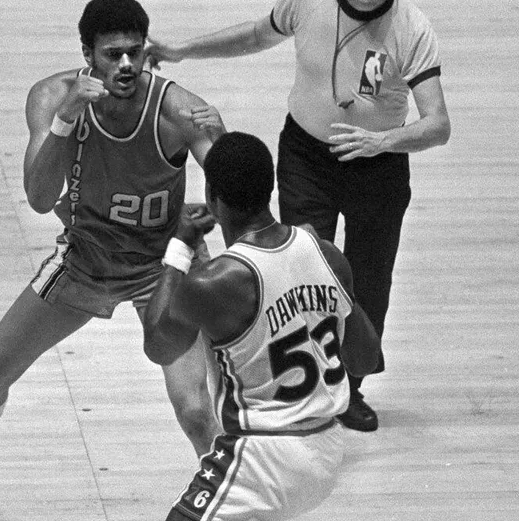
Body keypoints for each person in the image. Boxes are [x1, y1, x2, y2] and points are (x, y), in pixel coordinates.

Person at [0, 0, 225, 521]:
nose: (125, 65)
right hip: (85, 260)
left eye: (135, 53)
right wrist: (66, 119)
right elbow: (37, 194)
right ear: (87, 56)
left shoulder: (179, 110)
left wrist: (225, 149)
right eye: (112, 54)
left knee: (194, 411)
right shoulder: (53, 97)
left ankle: (229, 512)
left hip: (163, 265)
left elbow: (238, 189)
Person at [146, 0, 451, 432]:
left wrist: (381, 141)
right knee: (296, 267)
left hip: (379, 164)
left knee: (369, 279)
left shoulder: (412, 29)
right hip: (307, 157)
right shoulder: (309, 2)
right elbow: (255, 35)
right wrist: (182, 50)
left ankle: (348, 391)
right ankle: (292, 379)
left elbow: (438, 124)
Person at [137, 131, 381, 521]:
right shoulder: (324, 254)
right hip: (326, 451)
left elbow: (158, 345)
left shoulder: (218, 280)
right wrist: (335, 299)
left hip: (263, 454)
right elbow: (365, 358)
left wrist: (177, 250)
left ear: (214, 198)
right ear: (269, 188)